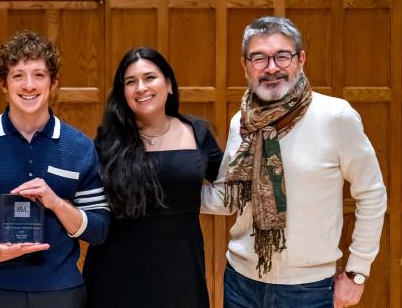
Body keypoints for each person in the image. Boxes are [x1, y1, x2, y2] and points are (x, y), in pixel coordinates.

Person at [202, 16, 387, 308]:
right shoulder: (242, 122)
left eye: (282, 56)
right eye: (259, 57)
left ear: (300, 59)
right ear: (245, 65)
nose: (271, 67)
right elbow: (230, 198)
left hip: (309, 290)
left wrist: (357, 272)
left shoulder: (336, 116)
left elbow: (372, 194)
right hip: (240, 282)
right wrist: (165, 192)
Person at [0, 31, 110, 308]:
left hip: (62, 292)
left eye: (39, 75)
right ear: (3, 84)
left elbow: (99, 228)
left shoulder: (79, 147)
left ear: (54, 82)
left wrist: (56, 202)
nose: (28, 85)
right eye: (18, 75)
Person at [82, 47, 222, 307]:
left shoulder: (198, 132)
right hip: (116, 270)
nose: (141, 88)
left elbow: (229, 188)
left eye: (150, 77)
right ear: (123, 93)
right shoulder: (108, 141)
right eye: (131, 82)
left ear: (168, 84)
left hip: (181, 268)